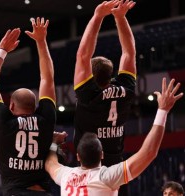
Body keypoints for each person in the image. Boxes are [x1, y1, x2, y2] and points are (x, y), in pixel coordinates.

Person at [45, 78, 183, 195]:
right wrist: (163, 110)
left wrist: (53, 143)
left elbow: (50, 164)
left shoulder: (65, 176)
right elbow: (148, 152)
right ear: (102, 155)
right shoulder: (106, 177)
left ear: (78, 156)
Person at [0, 17, 56, 196]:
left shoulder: (3, 120)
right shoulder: (46, 118)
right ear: (36, 104)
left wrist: (2, 51)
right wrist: (41, 41)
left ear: (11, 105)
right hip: (43, 192)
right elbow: (47, 79)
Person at [72, 1, 136, 194]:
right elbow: (129, 52)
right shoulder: (126, 90)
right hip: (117, 168)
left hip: (90, 172)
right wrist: (121, 18)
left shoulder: (88, 94)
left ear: (89, 77)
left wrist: (98, 16)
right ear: (111, 74)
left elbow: (83, 54)